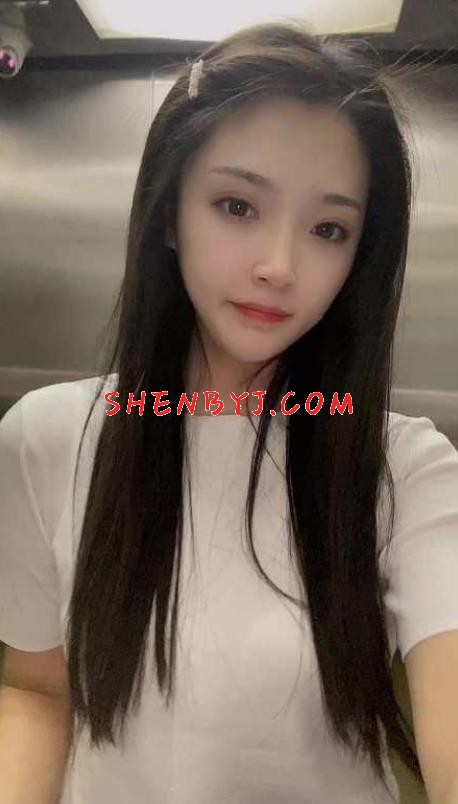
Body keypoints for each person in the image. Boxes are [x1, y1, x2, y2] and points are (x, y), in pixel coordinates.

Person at [0, 18, 458, 804]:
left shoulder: (406, 469)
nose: (279, 266)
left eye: (329, 229)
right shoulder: (44, 439)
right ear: (169, 214)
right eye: (237, 205)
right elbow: (38, 691)